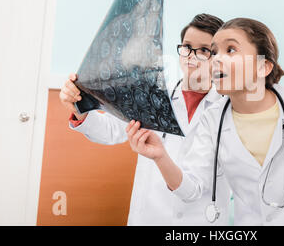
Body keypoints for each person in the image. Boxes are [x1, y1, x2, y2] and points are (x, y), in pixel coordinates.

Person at [126, 17, 284, 225]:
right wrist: (160, 157)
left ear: (263, 67)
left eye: (230, 49)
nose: (216, 58)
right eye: (214, 52)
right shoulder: (212, 120)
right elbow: (192, 190)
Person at [59, 14, 231, 225]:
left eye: (204, 50)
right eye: (187, 46)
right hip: (149, 215)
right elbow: (111, 131)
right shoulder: (153, 97)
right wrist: (79, 109)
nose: (191, 56)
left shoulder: (228, 112)